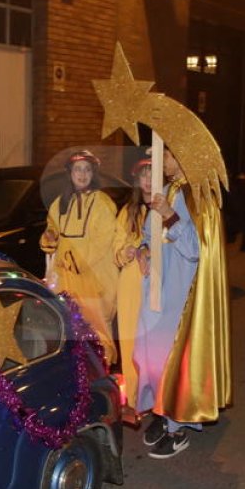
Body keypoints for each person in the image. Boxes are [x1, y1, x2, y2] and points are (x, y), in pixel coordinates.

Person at [135, 147, 231, 460]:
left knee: (170, 361)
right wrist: (143, 251)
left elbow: (195, 249)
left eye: (170, 156)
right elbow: (148, 237)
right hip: (155, 290)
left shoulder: (196, 195)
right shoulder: (164, 191)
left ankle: (176, 430)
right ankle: (162, 414)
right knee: (146, 354)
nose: (165, 163)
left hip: (179, 291)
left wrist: (169, 215)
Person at [40, 150, 120, 362]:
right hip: (66, 277)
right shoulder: (60, 203)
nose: (82, 174)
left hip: (94, 277)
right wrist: (50, 237)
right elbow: (52, 231)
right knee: (67, 327)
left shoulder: (102, 202)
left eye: (87, 170)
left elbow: (104, 238)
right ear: (70, 173)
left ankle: (100, 374)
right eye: (78, 169)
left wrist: (78, 261)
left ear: (93, 173)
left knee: (96, 328)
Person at [112, 158, 151, 414]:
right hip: (130, 285)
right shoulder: (128, 211)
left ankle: (156, 396)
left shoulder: (167, 208)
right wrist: (125, 252)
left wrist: (149, 251)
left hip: (157, 284)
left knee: (154, 343)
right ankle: (136, 399)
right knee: (130, 344)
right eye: (143, 175)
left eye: (153, 174)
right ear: (137, 180)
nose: (148, 180)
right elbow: (115, 248)